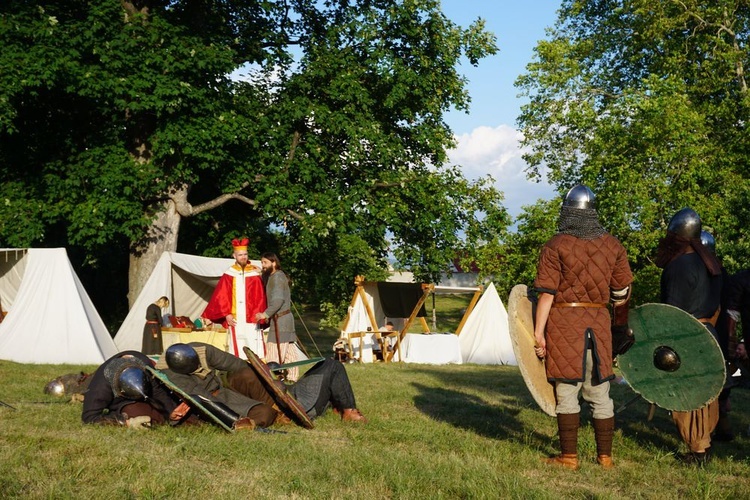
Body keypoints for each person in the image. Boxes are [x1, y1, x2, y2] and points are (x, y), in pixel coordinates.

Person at [533, 185, 633, 471]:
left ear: (567, 212)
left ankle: (569, 457)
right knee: (600, 393)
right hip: (599, 325)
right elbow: (622, 293)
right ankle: (605, 458)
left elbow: (547, 293)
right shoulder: (613, 245)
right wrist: (618, 330)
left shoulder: (556, 245)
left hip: (565, 323)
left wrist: (538, 332)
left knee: (567, 390)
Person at [160, 343, 367, 428]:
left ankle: (345, 408)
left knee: (329, 364)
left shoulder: (201, 351)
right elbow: (202, 397)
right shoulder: (174, 375)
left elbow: (238, 364)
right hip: (296, 407)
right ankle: (346, 409)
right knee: (332, 367)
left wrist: (268, 374)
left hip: (288, 395)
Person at [655, 207, 724, 465]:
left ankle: (697, 451)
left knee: (687, 393)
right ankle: (704, 443)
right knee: (706, 393)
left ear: (677, 236)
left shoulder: (680, 265)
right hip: (708, 333)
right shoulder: (711, 264)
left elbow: (672, 311)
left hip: (687, 334)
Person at [203, 238, 267, 359]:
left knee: (255, 344)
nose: (243, 257)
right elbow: (221, 296)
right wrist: (226, 314)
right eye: (240, 255)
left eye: (245, 254)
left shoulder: (255, 273)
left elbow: (262, 296)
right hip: (235, 317)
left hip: (253, 317)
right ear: (234, 255)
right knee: (238, 345)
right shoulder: (229, 273)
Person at [82, 351, 180, 429]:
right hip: (124, 404)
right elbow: (89, 417)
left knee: (180, 413)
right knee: (134, 412)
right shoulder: (100, 388)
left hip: (147, 391)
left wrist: (172, 412)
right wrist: (125, 422)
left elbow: (159, 394)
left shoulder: (144, 366)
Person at [255, 252, 299, 381]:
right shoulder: (274, 276)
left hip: (281, 321)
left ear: (274, 263)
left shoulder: (278, 278)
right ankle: (292, 379)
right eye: (262, 262)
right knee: (289, 354)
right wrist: (260, 272)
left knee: (274, 356)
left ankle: (274, 383)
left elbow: (278, 300)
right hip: (283, 320)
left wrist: (265, 314)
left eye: (265, 263)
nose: (263, 265)